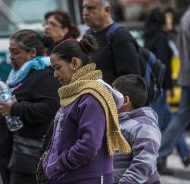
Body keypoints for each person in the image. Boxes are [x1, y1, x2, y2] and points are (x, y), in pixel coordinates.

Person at [38, 35, 131, 184]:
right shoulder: (74, 93)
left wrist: (57, 165)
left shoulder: (91, 96)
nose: (55, 75)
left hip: (88, 178)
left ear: (74, 62)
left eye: (58, 68)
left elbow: (88, 146)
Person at [0, 29, 60, 184]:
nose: (11, 57)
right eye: (10, 52)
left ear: (32, 53)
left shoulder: (44, 74)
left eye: (15, 52)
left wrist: (16, 108)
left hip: (28, 157)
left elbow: (52, 108)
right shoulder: (19, 74)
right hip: (10, 156)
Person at [144, 8, 190, 174]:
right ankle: (157, 157)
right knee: (162, 123)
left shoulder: (149, 38)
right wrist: (169, 87)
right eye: (167, 18)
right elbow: (165, 66)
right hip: (160, 88)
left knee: (176, 119)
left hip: (155, 87)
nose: (170, 21)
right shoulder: (162, 38)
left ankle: (184, 154)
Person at [158, 0, 190, 174]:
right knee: (179, 118)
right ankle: (160, 156)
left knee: (180, 118)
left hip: (186, 76)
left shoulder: (185, 17)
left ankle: (161, 156)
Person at [112, 74, 161, 184]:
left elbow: (144, 162)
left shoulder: (144, 126)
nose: (109, 100)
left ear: (125, 101)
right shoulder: (117, 122)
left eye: (112, 97)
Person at [82, 0, 140, 84]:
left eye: (91, 8)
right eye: (84, 7)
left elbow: (131, 80)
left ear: (107, 10)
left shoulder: (120, 36)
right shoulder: (87, 35)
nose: (85, 12)